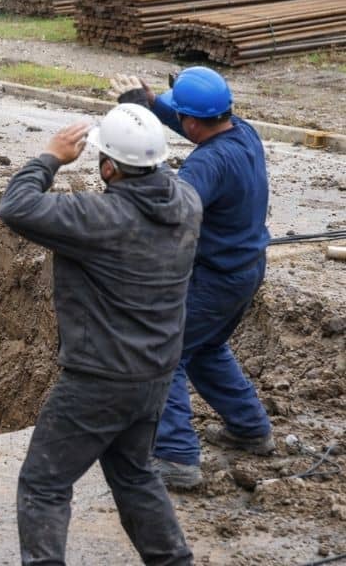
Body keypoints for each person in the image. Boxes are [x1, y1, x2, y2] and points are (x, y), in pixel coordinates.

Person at [0, 103, 201, 566]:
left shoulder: (100, 219)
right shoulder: (188, 202)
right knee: (135, 474)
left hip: (99, 380)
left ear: (108, 167)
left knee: (44, 484)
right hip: (155, 375)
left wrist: (50, 157)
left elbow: (16, 206)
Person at [110, 68, 274, 489]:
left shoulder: (207, 163)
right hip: (246, 270)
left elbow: (172, 207)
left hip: (215, 279)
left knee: (163, 354)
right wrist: (151, 104)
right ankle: (250, 429)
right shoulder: (244, 133)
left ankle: (177, 457)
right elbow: (190, 120)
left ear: (193, 123)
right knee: (205, 348)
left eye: (180, 114)